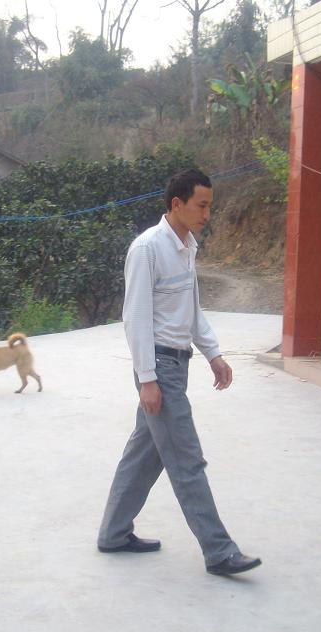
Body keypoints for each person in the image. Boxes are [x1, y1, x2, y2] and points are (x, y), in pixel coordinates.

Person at [97, 168, 261, 576]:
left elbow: (192, 309)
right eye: (201, 206)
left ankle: (114, 533)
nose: (207, 214)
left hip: (177, 362)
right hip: (159, 367)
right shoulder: (147, 249)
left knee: (144, 454)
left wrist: (213, 353)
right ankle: (219, 551)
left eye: (210, 206)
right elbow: (135, 318)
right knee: (187, 460)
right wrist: (147, 379)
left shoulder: (187, 247)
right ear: (177, 204)